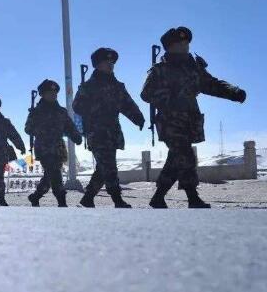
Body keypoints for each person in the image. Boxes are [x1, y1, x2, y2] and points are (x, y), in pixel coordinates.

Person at [141, 26, 246, 208]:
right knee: (185, 155)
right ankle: (192, 198)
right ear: (170, 46)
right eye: (180, 42)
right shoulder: (160, 70)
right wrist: (171, 98)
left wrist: (233, 92)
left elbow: (211, 84)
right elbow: (146, 93)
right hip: (170, 121)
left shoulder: (193, 68)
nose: (185, 45)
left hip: (189, 119)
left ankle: (158, 198)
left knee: (176, 158)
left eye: (186, 42)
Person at [73, 48, 145, 208]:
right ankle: (117, 199)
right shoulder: (88, 86)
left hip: (112, 132)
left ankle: (88, 197)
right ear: (97, 65)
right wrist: (95, 107)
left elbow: (127, 104)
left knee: (103, 167)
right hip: (96, 132)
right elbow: (77, 106)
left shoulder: (117, 86)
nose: (110, 65)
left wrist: (138, 117)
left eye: (112, 63)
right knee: (109, 166)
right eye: (106, 62)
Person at [25, 79, 82, 207]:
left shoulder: (61, 111)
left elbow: (69, 126)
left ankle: (35, 196)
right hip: (44, 148)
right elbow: (28, 128)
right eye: (50, 92)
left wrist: (76, 136)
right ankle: (62, 202)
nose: (53, 94)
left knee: (49, 176)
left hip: (58, 148)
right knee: (55, 173)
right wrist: (42, 130)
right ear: (43, 94)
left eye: (55, 92)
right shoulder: (37, 112)